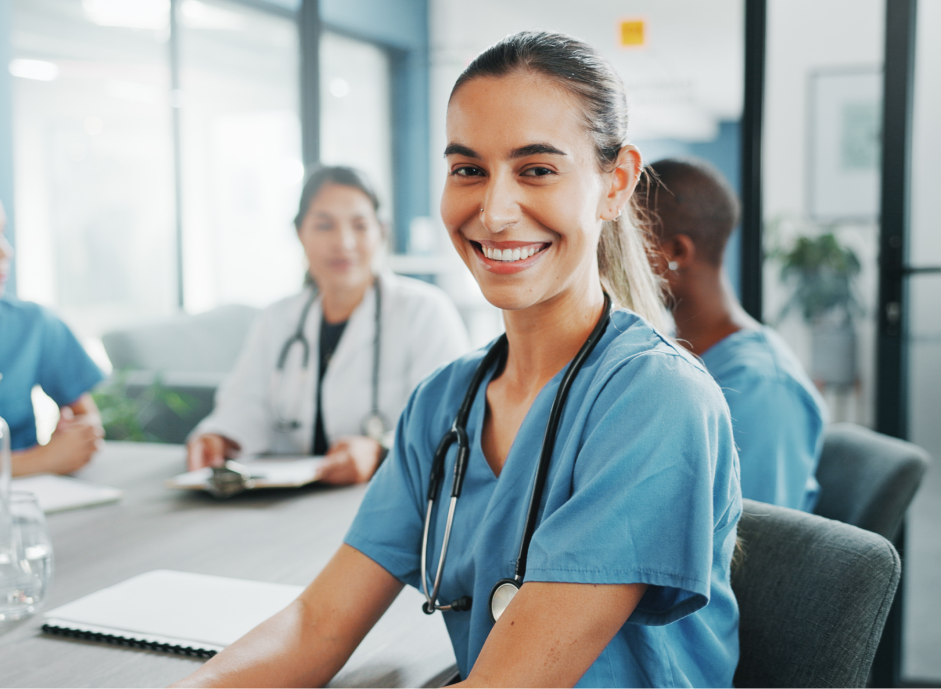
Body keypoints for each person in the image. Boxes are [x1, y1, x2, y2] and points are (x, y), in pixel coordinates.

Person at [171, 31, 740, 689]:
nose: (494, 211)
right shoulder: (445, 403)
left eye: (536, 169)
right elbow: (317, 621)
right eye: (468, 169)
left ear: (615, 184)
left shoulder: (657, 401)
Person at [187, 166, 469, 485]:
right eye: (324, 225)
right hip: (282, 502)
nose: (343, 242)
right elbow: (244, 403)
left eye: (360, 225)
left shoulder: (424, 311)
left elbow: (449, 422)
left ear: (380, 232)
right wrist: (220, 437)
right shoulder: (278, 318)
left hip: (387, 496)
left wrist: (381, 451)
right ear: (299, 232)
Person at [640, 157, 827, 511]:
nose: (608, 263)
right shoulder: (674, 354)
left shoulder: (760, 386)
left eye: (625, 248)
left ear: (676, 252)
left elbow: (755, 544)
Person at [0, 201, 106, 476]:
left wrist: (72, 437)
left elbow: (86, 417)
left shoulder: (33, 323)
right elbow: (46, 459)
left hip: (28, 502)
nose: (6, 251)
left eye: (3, 233)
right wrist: (39, 461)